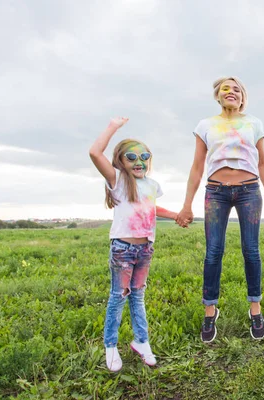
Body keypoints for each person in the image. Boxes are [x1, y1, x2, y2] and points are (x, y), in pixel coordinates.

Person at [176, 76, 264, 343]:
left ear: (243, 97)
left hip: (249, 191)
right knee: (213, 252)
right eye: (226, 89)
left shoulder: (254, 123)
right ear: (218, 96)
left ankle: (255, 308)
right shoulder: (206, 125)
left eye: (237, 89)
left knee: (251, 250)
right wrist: (186, 204)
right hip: (215, 191)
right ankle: (210, 311)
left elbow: (263, 163)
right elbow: (197, 166)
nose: (231, 92)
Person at [89, 117, 178, 372]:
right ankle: (110, 345)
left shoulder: (151, 185)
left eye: (144, 156)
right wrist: (113, 127)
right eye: (132, 157)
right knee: (119, 296)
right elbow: (94, 152)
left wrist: (175, 216)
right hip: (122, 249)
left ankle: (141, 342)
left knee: (138, 297)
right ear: (120, 161)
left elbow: (151, 207)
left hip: (145, 249)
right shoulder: (117, 180)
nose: (139, 162)